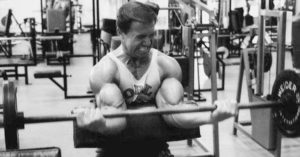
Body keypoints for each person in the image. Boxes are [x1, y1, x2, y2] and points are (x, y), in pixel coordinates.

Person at [76, 1, 237, 157]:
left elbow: (174, 111)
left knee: (172, 86)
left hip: (156, 149)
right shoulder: (105, 71)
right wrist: (101, 124)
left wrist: (211, 116)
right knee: (109, 92)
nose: (147, 43)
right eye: (140, 37)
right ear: (121, 32)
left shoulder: (165, 65)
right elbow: (116, 118)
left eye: (151, 35)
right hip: (114, 152)